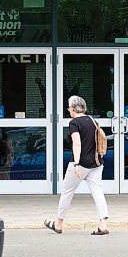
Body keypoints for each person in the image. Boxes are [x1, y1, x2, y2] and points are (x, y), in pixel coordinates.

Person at [44, 95, 109, 235]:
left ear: (73, 108)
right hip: (96, 163)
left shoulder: (74, 123)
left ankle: (58, 224)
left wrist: (77, 163)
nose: (68, 110)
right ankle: (103, 224)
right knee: (97, 192)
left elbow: (77, 143)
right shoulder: (92, 120)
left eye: (69, 107)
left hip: (82, 163)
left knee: (67, 192)